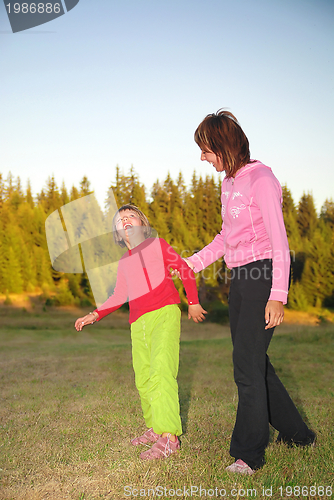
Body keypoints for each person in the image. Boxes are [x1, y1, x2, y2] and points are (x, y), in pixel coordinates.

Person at [184, 110, 315, 475]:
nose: (202, 157)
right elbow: (227, 237)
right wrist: (193, 263)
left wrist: (278, 294)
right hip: (240, 279)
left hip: (264, 277)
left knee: (245, 366)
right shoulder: (228, 183)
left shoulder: (261, 179)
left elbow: (279, 240)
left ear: (223, 145)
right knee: (255, 362)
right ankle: (299, 434)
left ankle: (248, 454)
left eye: (206, 149)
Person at [75, 204, 207, 460]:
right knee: (143, 376)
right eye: (120, 219)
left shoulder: (157, 244)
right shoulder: (124, 261)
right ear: (117, 233)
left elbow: (184, 268)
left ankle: (169, 436)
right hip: (138, 322)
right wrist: (95, 313)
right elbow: (119, 295)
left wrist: (193, 302)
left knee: (161, 371)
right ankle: (155, 427)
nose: (125, 219)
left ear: (143, 225)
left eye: (130, 216)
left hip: (164, 314)